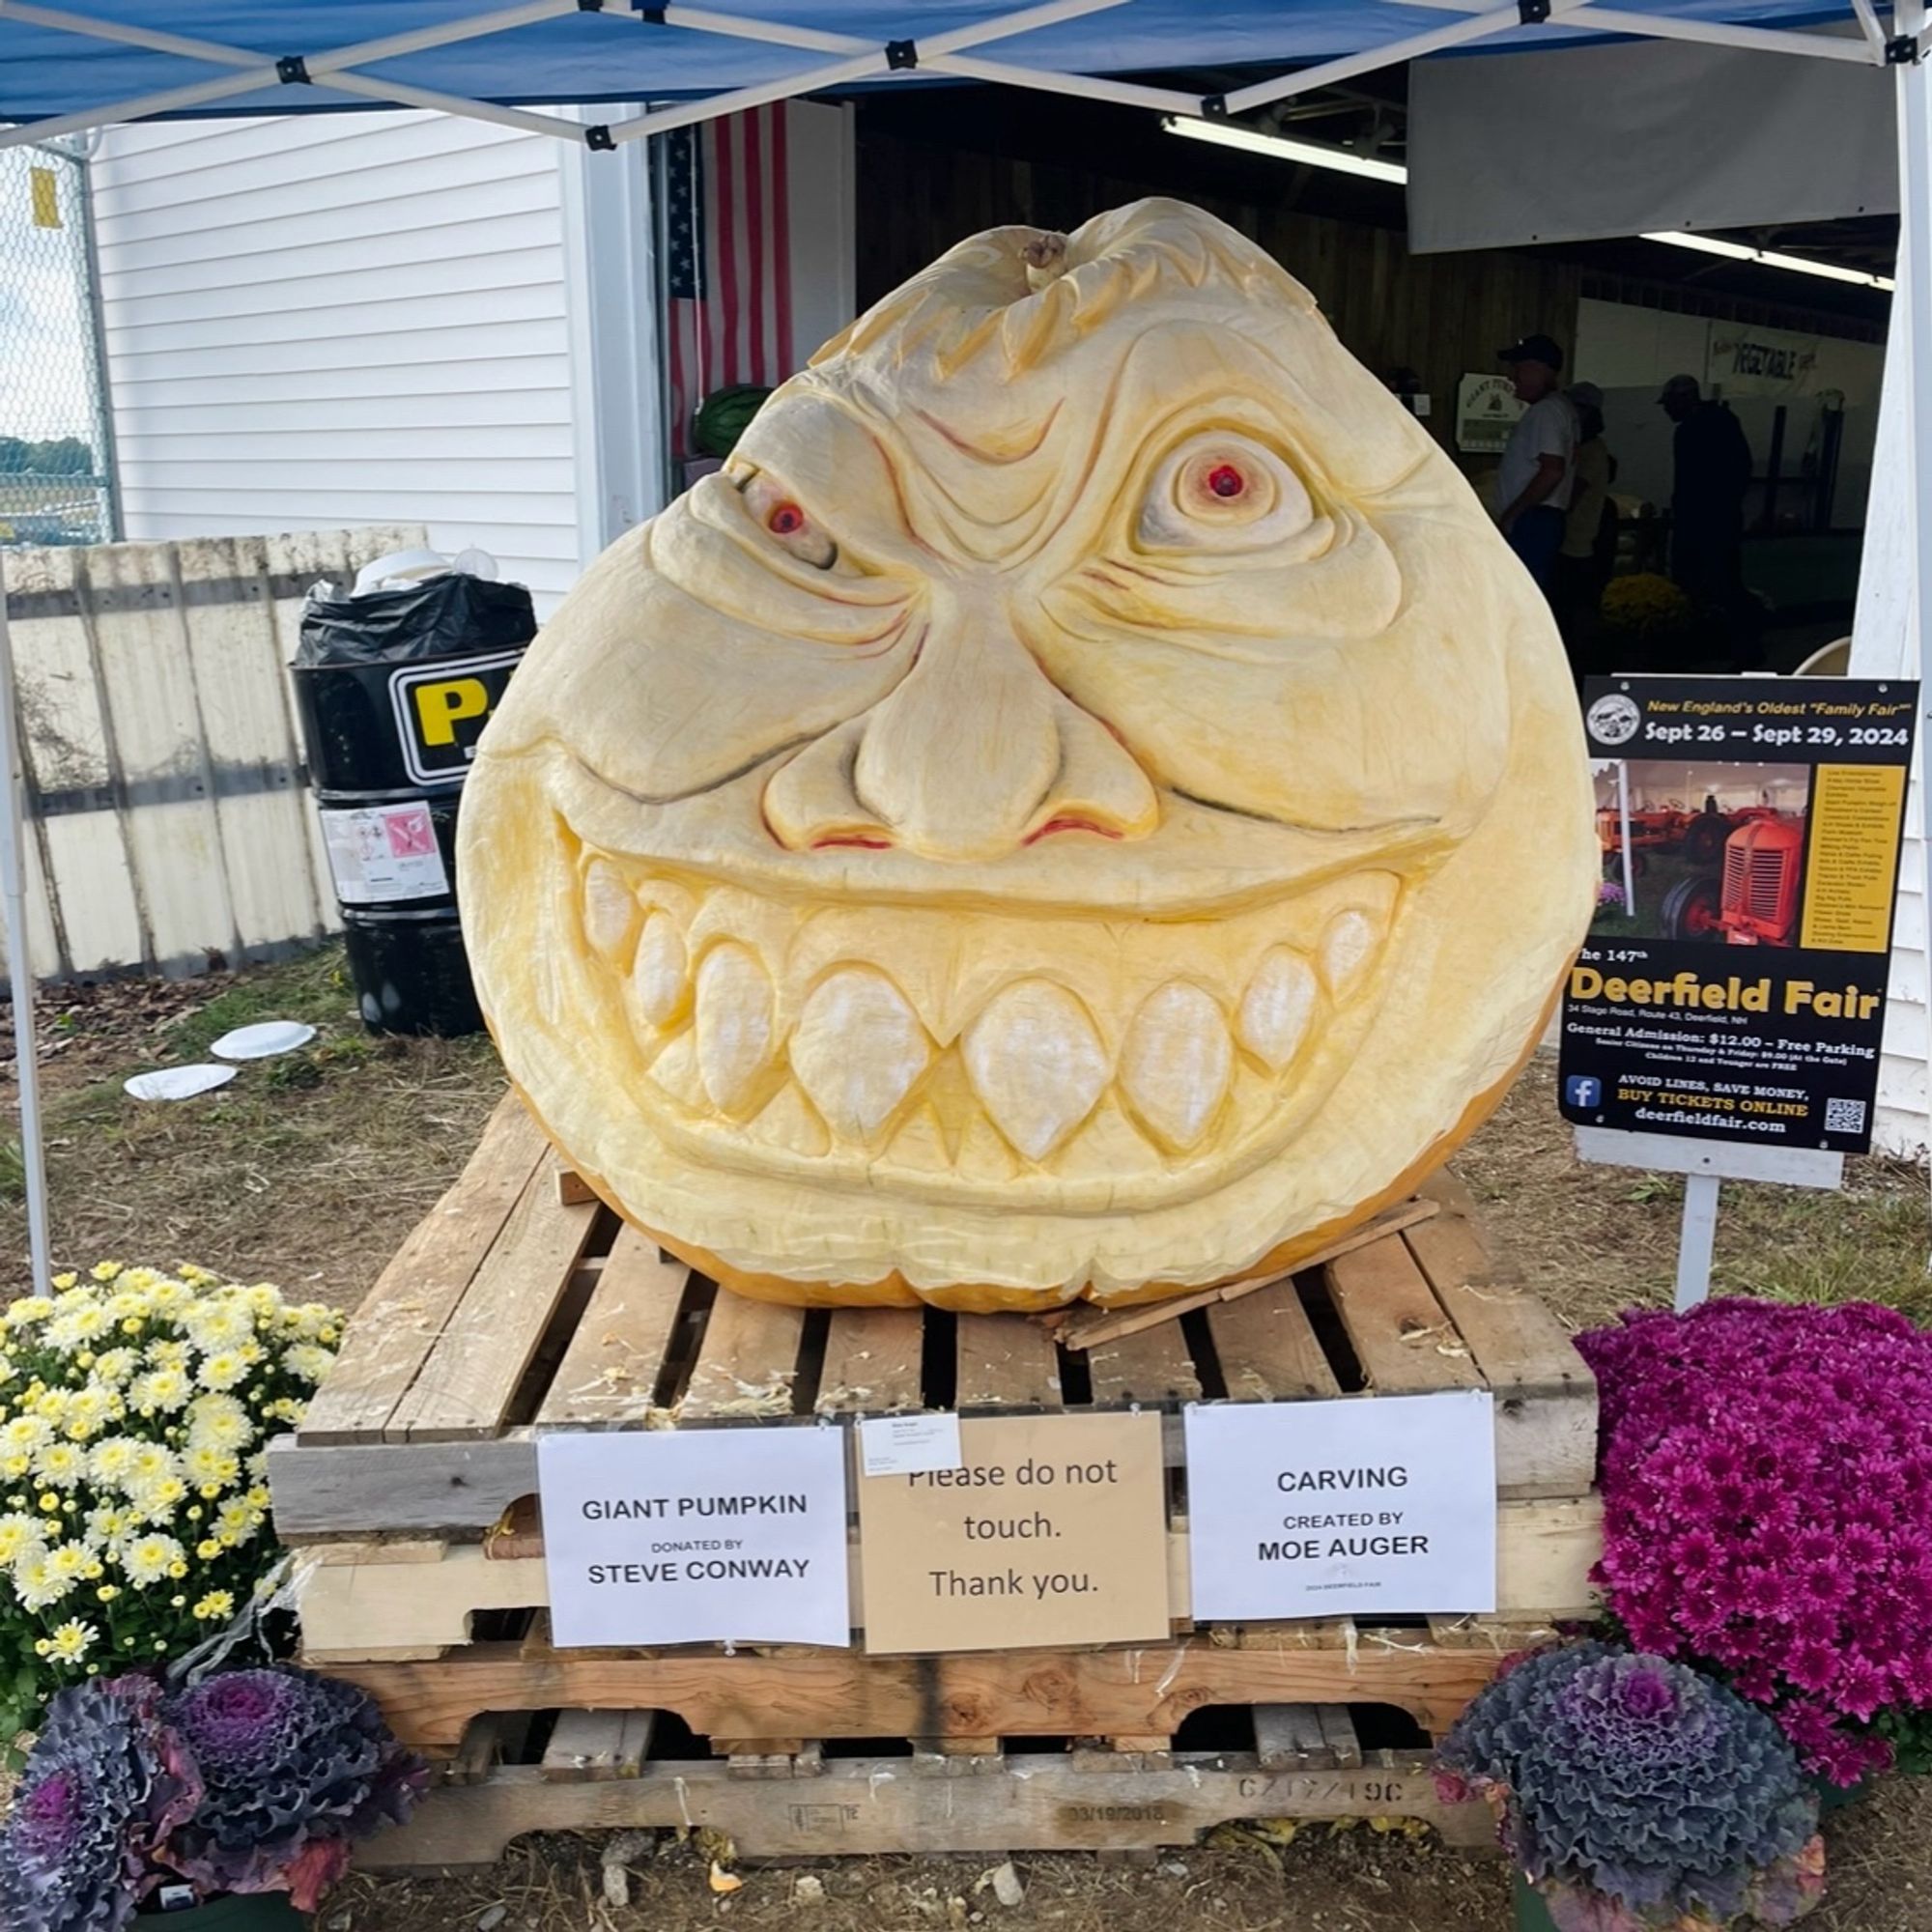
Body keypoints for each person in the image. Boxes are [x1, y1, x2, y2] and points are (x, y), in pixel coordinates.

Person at [1659, 372, 1756, 665]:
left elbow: (1688, 482)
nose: (1666, 410)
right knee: (1726, 582)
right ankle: (1738, 647)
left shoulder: (1689, 430)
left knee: (1696, 585)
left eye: (1669, 403)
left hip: (1698, 522)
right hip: (1724, 518)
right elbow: (1743, 468)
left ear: (1684, 399)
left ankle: (1697, 650)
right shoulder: (1726, 421)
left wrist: (1689, 511)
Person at [1493, 333, 1577, 593]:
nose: (1512, 378)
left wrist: (1512, 515)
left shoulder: (1545, 412)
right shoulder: (1560, 409)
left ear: (1538, 369)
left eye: (1517, 369)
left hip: (1533, 518)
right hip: (1542, 517)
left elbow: (1552, 470)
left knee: (1520, 593)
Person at [1554, 381, 1618, 661]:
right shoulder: (1582, 447)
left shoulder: (1592, 451)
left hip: (1576, 544)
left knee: (1574, 611)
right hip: (1572, 541)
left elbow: (1572, 495)